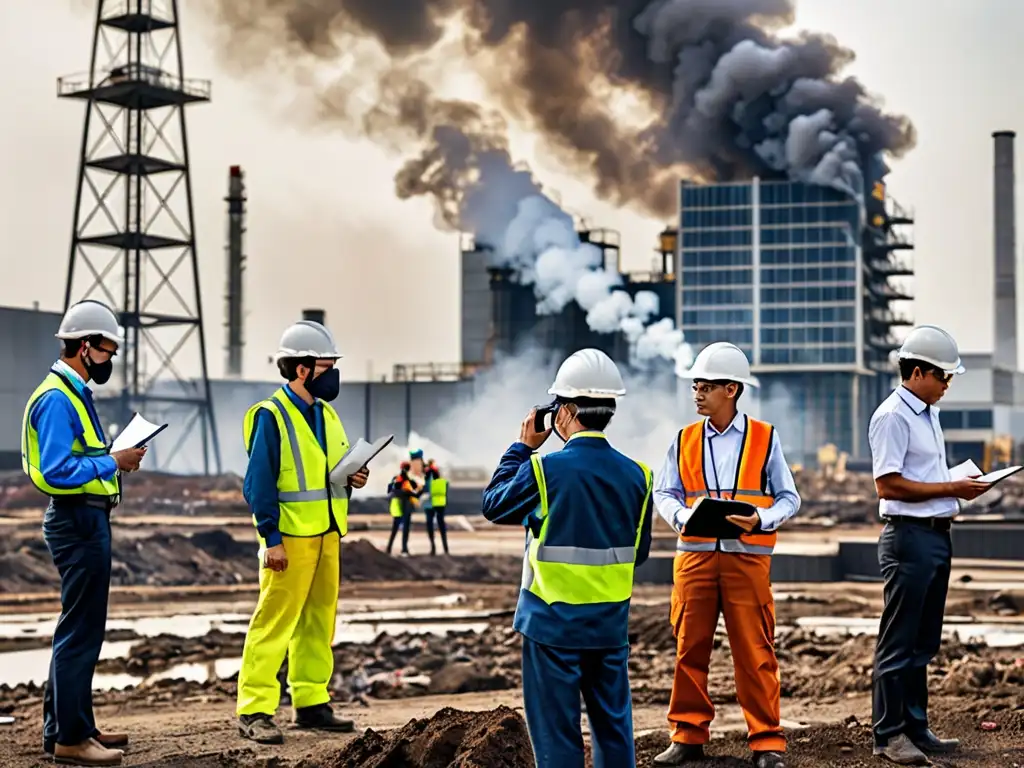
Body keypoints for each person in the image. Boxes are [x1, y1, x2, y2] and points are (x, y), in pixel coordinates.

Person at [481, 348, 654, 768]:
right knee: (614, 733)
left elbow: (493, 504)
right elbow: (640, 552)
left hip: (551, 626)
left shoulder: (545, 470)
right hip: (609, 626)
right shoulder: (639, 475)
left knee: (557, 736)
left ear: (567, 411)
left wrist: (521, 449)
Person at [652, 342, 799, 768]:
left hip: (747, 559)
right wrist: (681, 516)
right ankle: (687, 736)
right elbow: (665, 491)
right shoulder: (683, 440)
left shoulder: (764, 438)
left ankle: (767, 742)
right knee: (688, 648)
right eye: (695, 384)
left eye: (706, 385)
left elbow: (789, 498)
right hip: (695, 558)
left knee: (755, 651)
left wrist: (762, 518)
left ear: (731, 390)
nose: (696, 392)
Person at [21, 300, 147, 767]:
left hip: (86, 517)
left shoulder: (73, 392)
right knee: (81, 631)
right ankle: (71, 739)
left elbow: (79, 458)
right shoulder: (57, 398)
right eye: (108, 348)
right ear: (86, 346)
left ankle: (70, 726)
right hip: (77, 521)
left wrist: (114, 459)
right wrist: (113, 461)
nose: (112, 358)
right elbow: (56, 469)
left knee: (77, 627)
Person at [236, 319, 369, 745]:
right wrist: (270, 538)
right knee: (273, 623)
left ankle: (311, 701)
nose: (334, 375)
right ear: (302, 369)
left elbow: (330, 471)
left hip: (327, 532)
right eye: (328, 366)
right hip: (290, 538)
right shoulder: (271, 416)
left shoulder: (325, 414)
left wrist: (355, 476)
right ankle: (254, 710)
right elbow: (258, 483)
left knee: (318, 621)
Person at [868, 325, 990, 765]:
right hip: (908, 539)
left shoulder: (927, 412)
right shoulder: (892, 417)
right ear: (917, 372)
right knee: (898, 642)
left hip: (936, 536)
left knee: (923, 641)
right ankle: (889, 734)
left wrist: (954, 484)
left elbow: (922, 476)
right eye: (943, 376)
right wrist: (951, 486)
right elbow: (889, 485)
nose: (947, 385)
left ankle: (915, 725)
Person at [386, 461, 418, 556]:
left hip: (400, 505)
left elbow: (390, 490)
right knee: (403, 528)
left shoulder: (398, 479)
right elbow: (412, 490)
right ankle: (402, 549)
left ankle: (393, 548)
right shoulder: (403, 480)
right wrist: (409, 493)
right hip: (404, 505)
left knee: (397, 528)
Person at [423, 458, 450, 555]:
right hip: (439, 504)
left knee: (430, 526)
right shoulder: (442, 481)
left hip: (429, 505)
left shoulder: (427, 480)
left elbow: (423, 490)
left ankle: (433, 547)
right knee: (441, 526)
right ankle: (445, 548)